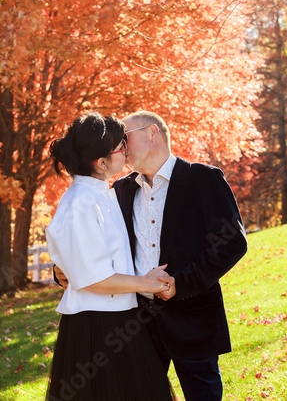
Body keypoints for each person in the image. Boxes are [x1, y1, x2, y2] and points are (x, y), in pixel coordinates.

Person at [55, 110, 248, 401]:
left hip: (193, 318)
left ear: (152, 133)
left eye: (125, 137)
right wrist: (63, 269)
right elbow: (93, 243)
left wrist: (181, 284)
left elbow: (232, 242)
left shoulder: (203, 179)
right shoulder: (119, 190)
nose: (122, 145)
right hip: (136, 325)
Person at [45, 112, 173, 401]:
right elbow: (93, 279)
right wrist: (148, 284)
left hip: (121, 317)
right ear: (101, 163)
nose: (127, 150)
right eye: (121, 147)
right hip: (96, 329)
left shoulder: (106, 192)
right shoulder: (80, 204)